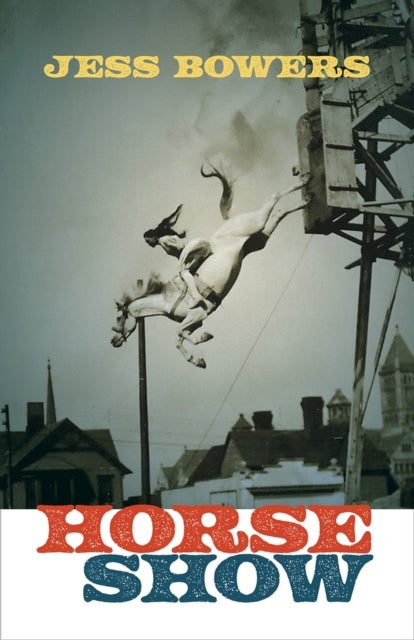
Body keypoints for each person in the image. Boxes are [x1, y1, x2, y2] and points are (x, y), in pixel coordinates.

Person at [143, 205, 212, 308]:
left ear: (153, 237)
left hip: (194, 248)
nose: (149, 244)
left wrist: (182, 266)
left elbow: (181, 247)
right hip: (197, 247)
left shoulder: (163, 240)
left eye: (148, 241)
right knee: (185, 272)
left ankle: (196, 297)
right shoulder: (164, 241)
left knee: (183, 273)